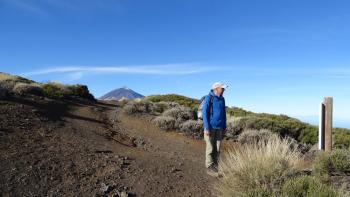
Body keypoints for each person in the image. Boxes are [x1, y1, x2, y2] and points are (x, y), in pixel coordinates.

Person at [202, 82, 228, 176]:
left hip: (220, 128)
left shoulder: (222, 99)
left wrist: (224, 127)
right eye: (222, 88)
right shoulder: (209, 98)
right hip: (210, 127)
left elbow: (224, 114)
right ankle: (209, 167)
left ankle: (216, 166)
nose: (224, 90)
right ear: (216, 88)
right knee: (210, 148)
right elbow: (204, 113)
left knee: (217, 149)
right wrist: (207, 127)